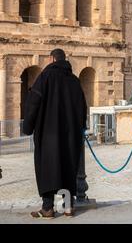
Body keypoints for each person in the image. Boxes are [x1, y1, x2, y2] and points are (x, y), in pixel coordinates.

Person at [23, 49, 87, 219]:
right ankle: (67, 207)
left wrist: (28, 127)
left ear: (51, 59)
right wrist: (81, 127)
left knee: (48, 169)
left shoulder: (45, 78)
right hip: (70, 135)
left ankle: (48, 208)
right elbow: (82, 107)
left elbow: (33, 103)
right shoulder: (74, 81)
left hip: (48, 133)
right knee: (67, 167)